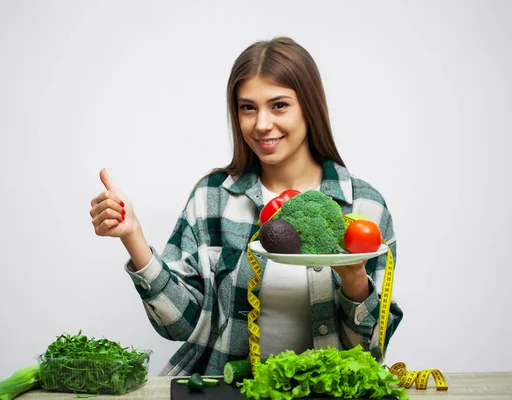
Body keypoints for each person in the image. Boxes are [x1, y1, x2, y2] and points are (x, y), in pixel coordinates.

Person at [89, 36, 403, 376]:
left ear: (309, 107)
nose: (262, 124)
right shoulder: (212, 197)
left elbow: (370, 352)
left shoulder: (365, 207)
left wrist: (356, 280)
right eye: (247, 107)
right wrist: (133, 236)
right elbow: (179, 327)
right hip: (223, 387)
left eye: (279, 105)